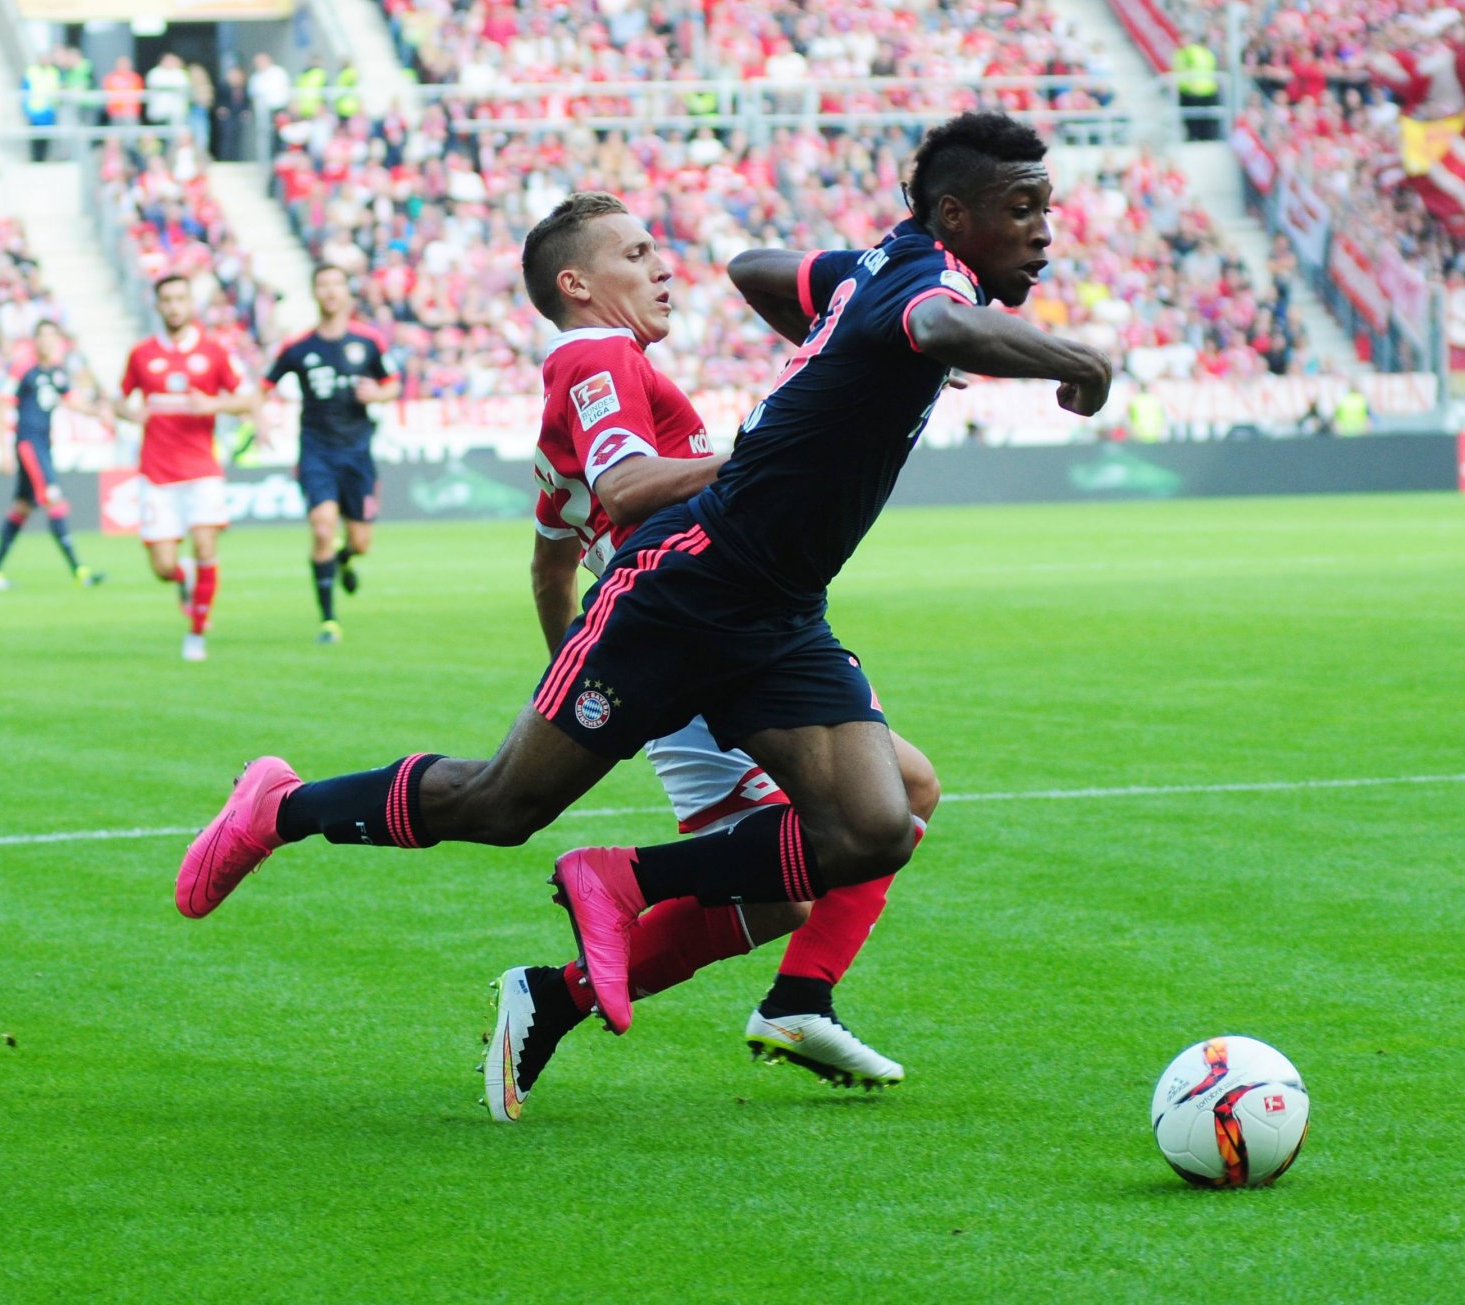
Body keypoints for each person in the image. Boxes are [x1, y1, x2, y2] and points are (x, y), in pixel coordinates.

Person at [175, 112, 1109, 1056]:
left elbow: (755, 276)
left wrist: (836, 371)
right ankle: (281, 808)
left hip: (770, 606)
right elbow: (633, 479)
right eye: (636, 250)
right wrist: (1073, 360)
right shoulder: (603, 356)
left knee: (878, 823)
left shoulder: (876, 270)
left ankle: (645, 905)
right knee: (505, 806)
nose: (1042, 229)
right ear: (954, 214)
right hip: (683, 595)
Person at [483, 192, 946, 1122]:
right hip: (692, 639)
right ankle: (561, 989)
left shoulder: (584, 400)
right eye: (640, 252)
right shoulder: (600, 368)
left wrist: (580, 682)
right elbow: (622, 502)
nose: (664, 267)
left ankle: (798, 1000)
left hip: (693, 633)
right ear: (578, 283)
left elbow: (547, 565)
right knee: (806, 866)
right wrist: (602, 694)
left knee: (901, 796)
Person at [117, 275, 256, 662]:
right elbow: (118, 400)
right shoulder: (141, 354)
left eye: (181, 298)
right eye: (167, 300)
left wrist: (214, 406)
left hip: (201, 469)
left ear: (190, 303)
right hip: (157, 472)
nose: (175, 306)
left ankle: (196, 635)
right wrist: (131, 412)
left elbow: (249, 399)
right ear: (158, 305)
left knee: (205, 545)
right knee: (163, 567)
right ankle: (185, 579)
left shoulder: (214, 352)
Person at [264, 264, 399, 643]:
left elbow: (392, 384)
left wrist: (377, 394)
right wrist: (259, 420)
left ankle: (343, 561)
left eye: (336, 285)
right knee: (323, 527)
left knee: (360, 543)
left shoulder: (368, 341)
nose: (329, 292)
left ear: (346, 293)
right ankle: (328, 620)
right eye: (322, 285)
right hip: (316, 451)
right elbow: (264, 385)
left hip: (357, 452)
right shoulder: (298, 346)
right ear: (314, 292)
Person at [0, 320, 106, 590]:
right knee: (54, 500)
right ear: (35, 340)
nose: (48, 341)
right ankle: (80, 571)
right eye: (43, 336)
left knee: (22, 508)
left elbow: (73, 401)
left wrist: (98, 412)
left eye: (52, 336)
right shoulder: (24, 368)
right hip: (28, 444)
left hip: (44, 445)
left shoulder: (58, 371)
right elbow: (3, 403)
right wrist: (3, 450)